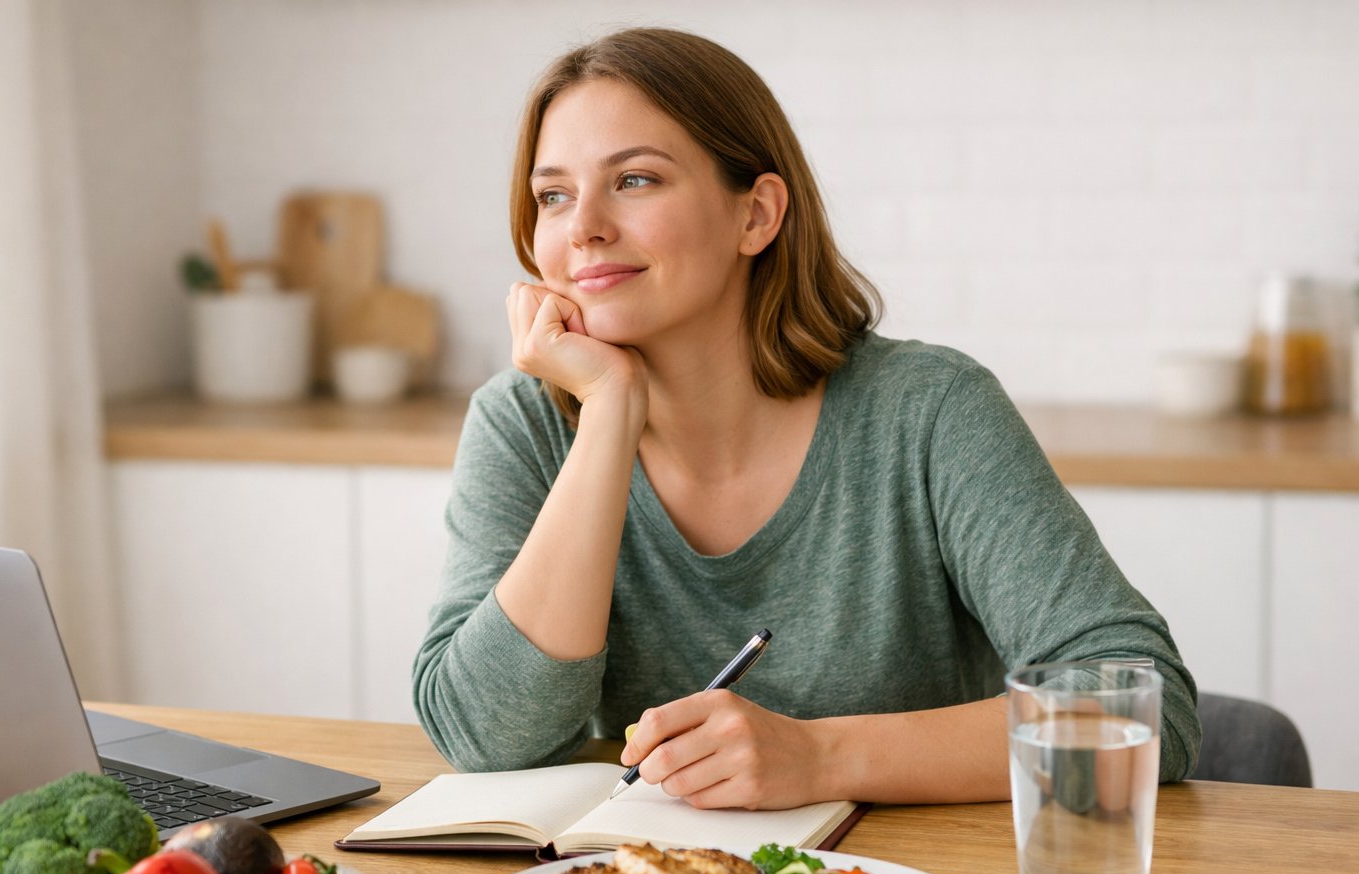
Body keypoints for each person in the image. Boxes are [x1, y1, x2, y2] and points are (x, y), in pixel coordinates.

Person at [412, 27, 1199, 808]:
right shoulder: (524, 422)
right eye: (553, 195)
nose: (582, 225)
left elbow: (1144, 710)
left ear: (756, 215)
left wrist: (823, 756)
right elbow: (486, 737)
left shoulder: (927, 411)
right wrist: (610, 413)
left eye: (636, 181)